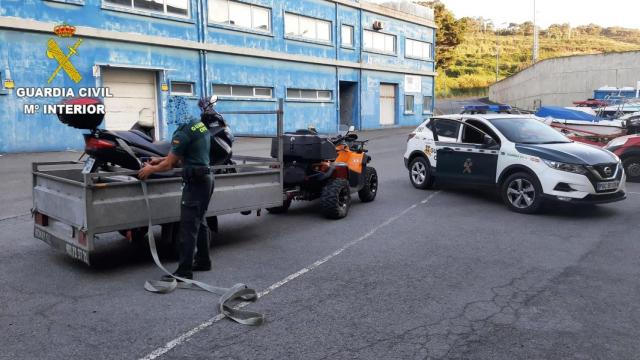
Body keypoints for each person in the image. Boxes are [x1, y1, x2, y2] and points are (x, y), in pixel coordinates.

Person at [138, 119, 213, 280]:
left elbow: (170, 164)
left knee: (187, 228)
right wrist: (160, 159)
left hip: (195, 183)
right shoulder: (199, 125)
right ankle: (203, 261)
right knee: (200, 223)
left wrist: (151, 169)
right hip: (206, 179)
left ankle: (184, 271)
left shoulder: (182, 133)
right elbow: (182, 155)